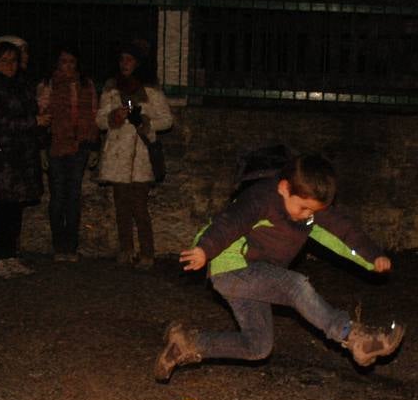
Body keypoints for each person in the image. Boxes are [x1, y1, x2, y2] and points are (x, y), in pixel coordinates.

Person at [153, 152, 405, 381]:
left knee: (258, 346)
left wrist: (371, 257)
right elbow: (230, 222)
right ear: (284, 188)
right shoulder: (262, 198)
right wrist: (204, 250)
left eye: (313, 211)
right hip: (231, 267)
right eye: (304, 207)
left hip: (256, 277)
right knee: (295, 285)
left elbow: (343, 234)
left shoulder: (308, 212)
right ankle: (353, 336)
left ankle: (186, 344)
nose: (308, 215)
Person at [97, 39, 172, 269]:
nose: (124, 63)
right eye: (121, 59)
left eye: (129, 59)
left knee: (139, 207)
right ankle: (126, 249)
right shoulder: (111, 88)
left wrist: (146, 122)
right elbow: (99, 120)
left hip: (140, 156)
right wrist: (113, 118)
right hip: (118, 156)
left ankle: (147, 252)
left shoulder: (150, 90)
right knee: (121, 207)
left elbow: (167, 120)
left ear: (139, 63)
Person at [0, 38, 48, 278]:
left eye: (13, 61)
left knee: (15, 209)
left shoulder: (20, 86)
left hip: (20, 157)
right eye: (4, 61)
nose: (9, 65)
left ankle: (10, 255)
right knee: (2, 210)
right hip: (0, 159)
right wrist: (33, 122)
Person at [37, 45, 99, 262]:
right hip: (56, 145)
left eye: (72, 62)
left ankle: (70, 246)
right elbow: (42, 117)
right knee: (57, 197)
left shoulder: (86, 84)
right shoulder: (49, 85)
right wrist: (42, 148)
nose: (68, 66)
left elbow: (92, 115)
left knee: (73, 196)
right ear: (57, 63)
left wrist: (93, 146)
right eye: (64, 62)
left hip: (79, 145)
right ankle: (58, 245)